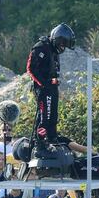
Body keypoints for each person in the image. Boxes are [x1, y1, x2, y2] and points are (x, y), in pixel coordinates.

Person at [26, 23, 75, 157]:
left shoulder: (53, 50)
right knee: (45, 117)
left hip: (52, 87)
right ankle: (40, 144)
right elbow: (31, 68)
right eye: (62, 44)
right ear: (57, 40)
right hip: (43, 88)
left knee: (53, 116)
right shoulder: (41, 47)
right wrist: (43, 84)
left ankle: (53, 139)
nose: (62, 48)